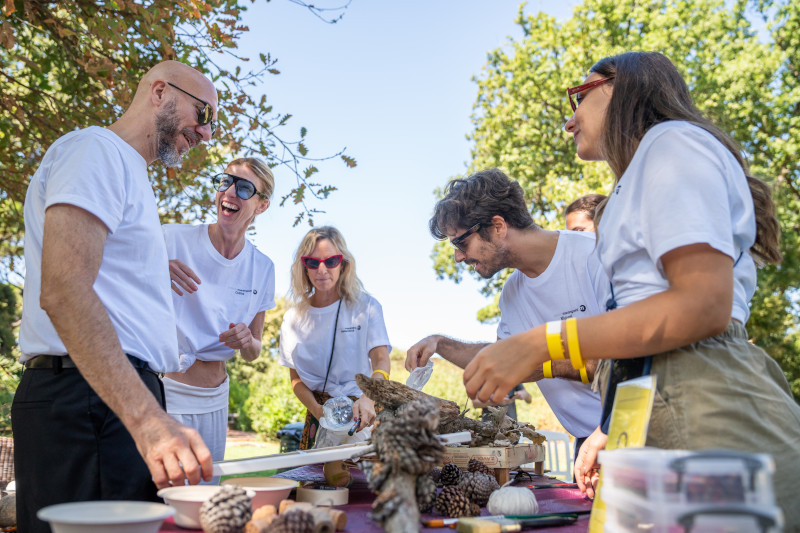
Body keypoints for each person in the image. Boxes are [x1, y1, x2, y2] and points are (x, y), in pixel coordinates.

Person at [461, 52, 800, 530]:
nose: (568, 120)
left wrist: (542, 340)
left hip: (707, 403)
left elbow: (702, 304)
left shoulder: (671, 144)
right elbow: (641, 322)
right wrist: (613, 424)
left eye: (578, 96)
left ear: (618, 88)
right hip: (653, 399)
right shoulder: (641, 170)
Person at [13, 61, 217, 532]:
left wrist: (146, 269)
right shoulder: (96, 150)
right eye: (203, 113)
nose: (206, 134)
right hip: (87, 405)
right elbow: (64, 289)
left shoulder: (127, 170)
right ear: (160, 92)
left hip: (103, 401)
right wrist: (147, 421)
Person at [406, 168, 607, 455]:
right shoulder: (512, 293)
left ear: (498, 226)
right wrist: (440, 343)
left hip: (642, 435)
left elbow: (632, 358)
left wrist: (543, 364)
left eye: (461, 242)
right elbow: (503, 357)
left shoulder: (596, 255)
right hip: (587, 443)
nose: (458, 256)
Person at [163, 157, 276, 484]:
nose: (230, 192)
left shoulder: (263, 267)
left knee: (206, 497)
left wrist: (246, 340)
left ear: (261, 205)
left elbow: (255, 350)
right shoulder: (172, 239)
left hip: (215, 397)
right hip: (166, 390)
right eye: (225, 182)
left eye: (244, 188)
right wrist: (152, 269)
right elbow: (116, 277)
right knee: (165, 494)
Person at [279, 226, 391, 449]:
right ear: (304, 267)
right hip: (318, 414)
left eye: (330, 261)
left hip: (363, 412)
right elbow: (295, 379)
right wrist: (318, 411)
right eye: (313, 262)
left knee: (362, 481)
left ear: (343, 264)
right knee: (314, 482)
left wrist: (369, 397)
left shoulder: (366, 307)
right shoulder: (292, 318)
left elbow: (381, 359)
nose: (322, 269)